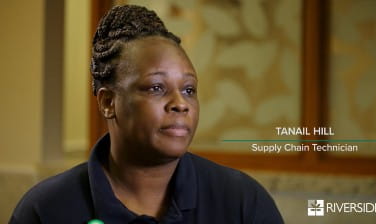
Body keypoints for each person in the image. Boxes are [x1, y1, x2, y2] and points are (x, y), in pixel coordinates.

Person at [9, 5, 283, 224]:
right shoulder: (45, 210)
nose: (180, 104)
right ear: (108, 102)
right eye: (156, 87)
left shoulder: (242, 203)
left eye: (189, 90)